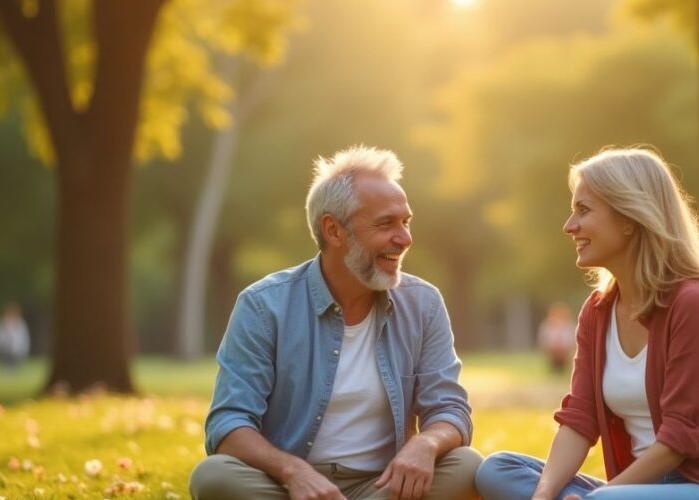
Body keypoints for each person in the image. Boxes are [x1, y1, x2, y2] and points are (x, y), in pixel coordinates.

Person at [476, 148, 699, 500]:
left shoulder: (692, 304)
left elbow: (681, 439)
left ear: (629, 219)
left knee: (606, 499)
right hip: (634, 492)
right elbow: (580, 420)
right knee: (497, 470)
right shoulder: (598, 311)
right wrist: (542, 497)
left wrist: (601, 498)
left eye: (583, 210)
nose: (569, 225)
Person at [190, 146, 481, 500]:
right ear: (334, 230)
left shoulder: (424, 303)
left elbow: (450, 408)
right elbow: (228, 424)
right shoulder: (263, 306)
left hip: (384, 487)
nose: (405, 238)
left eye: (405, 222)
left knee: (466, 466)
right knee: (214, 475)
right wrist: (293, 472)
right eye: (386, 223)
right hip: (288, 488)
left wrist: (426, 444)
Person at [0, 302, 30, 374]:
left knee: (13, 351)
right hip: (3, 350)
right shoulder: (0, 323)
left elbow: (23, 340)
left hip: (17, 351)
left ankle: (12, 367)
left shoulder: (21, 323)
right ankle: (7, 367)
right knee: (6, 349)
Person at [538, 302, 576, 373]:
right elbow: (544, 343)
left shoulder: (570, 326)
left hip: (565, 354)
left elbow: (573, 343)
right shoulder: (546, 326)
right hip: (552, 353)